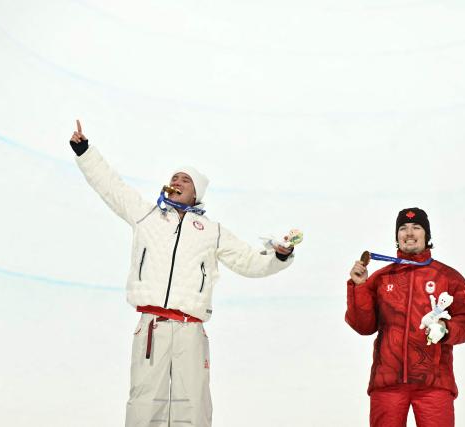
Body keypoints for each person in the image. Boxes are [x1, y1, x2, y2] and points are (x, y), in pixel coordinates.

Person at [69, 120, 296, 426]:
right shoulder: (146, 215)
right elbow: (112, 187)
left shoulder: (210, 231)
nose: (177, 181)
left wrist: (279, 256)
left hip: (190, 328)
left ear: (195, 195)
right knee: (145, 403)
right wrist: (85, 151)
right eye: (174, 177)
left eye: (185, 180)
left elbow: (249, 261)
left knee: (193, 406)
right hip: (152, 326)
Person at [345, 207, 465, 427]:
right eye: (403, 228)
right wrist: (359, 287)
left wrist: (446, 330)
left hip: (434, 383)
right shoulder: (381, 277)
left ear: (427, 236)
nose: (409, 233)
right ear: (396, 237)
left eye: (416, 227)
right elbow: (363, 326)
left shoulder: (448, 277)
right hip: (387, 382)